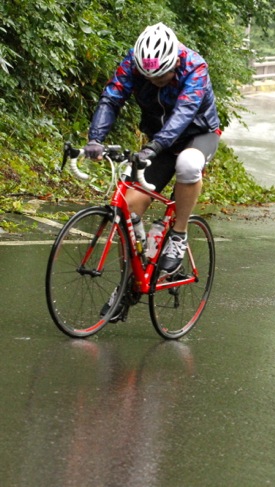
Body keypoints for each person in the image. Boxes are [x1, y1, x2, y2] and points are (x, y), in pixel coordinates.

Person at [84, 22, 220, 316]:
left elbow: (184, 113)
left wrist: (154, 147)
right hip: (158, 142)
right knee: (127, 212)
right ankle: (129, 283)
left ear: (175, 62)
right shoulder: (133, 63)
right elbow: (111, 97)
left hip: (197, 135)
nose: (156, 81)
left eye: (163, 75)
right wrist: (96, 138)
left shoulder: (195, 66)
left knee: (187, 164)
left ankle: (178, 236)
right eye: (150, 77)